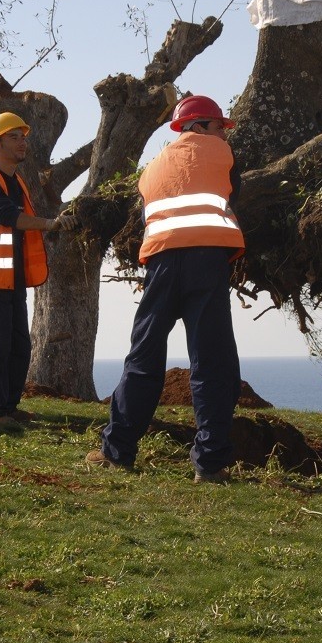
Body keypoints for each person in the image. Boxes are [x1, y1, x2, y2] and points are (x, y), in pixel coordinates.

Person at [86, 95, 246, 483]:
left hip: (160, 263)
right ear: (204, 125)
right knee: (212, 361)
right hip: (205, 263)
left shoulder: (151, 168)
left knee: (143, 356)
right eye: (220, 127)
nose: (224, 135)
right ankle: (209, 463)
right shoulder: (223, 155)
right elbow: (232, 196)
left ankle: (117, 450)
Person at [0, 112, 63, 425]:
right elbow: (8, 217)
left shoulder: (16, 181)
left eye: (24, 136)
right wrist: (51, 224)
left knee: (19, 348)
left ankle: (8, 407)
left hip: (12, 282)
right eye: (15, 137)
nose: (23, 142)